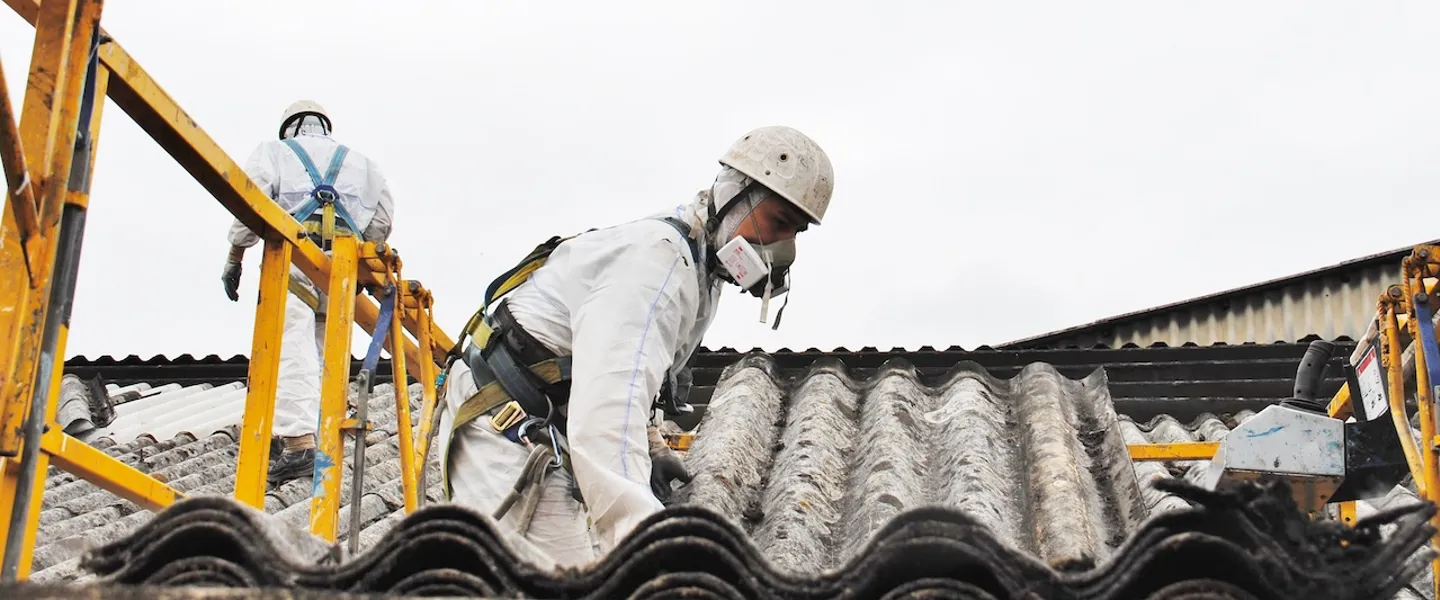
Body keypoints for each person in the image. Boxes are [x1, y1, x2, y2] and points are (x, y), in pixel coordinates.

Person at [435, 125, 834, 567]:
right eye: (779, 222)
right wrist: (646, 545)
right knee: (566, 578)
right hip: (502, 424)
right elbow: (608, 409)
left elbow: (637, 373)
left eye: (796, 232)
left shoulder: (699, 269)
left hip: (538, 419)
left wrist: (653, 447)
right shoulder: (658, 263)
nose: (784, 246)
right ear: (734, 194)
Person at [220, 100, 396, 484]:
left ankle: (298, 443)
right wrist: (358, 261)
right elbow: (382, 220)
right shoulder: (362, 163)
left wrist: (235, 257)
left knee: (291, 348)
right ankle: (317, 430)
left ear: (289, 128)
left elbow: (249, 204)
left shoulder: (274, 152)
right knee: (323, 354)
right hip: (339, 272)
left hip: (295, 260)